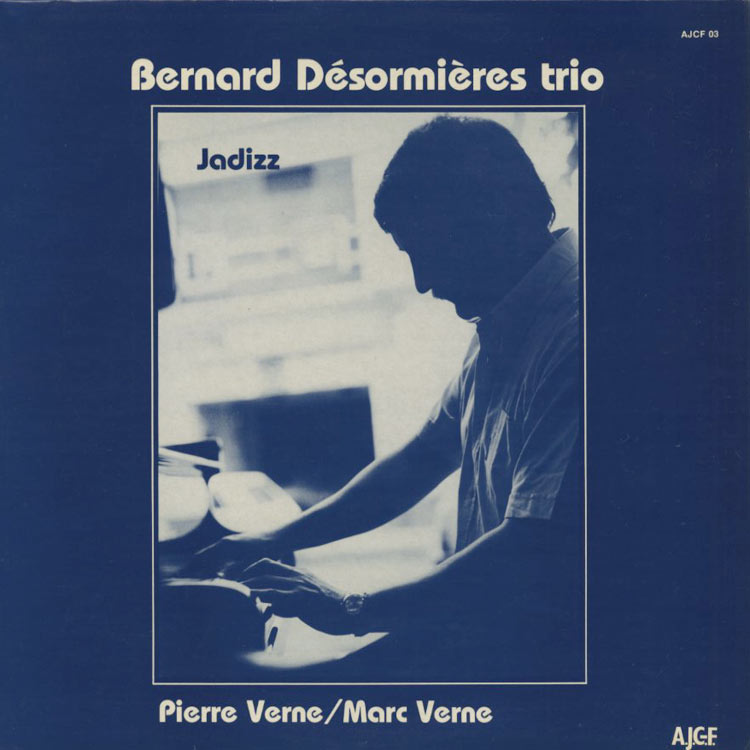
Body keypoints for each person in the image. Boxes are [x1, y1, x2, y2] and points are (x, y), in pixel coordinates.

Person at [186, 115, 583, 681]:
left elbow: (532, 546)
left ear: (495, 217)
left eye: (431, 251)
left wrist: (351, 610)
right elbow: (425, 456)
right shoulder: (506, 317)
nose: (422, 282)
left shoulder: (576, 328)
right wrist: (277, 537)